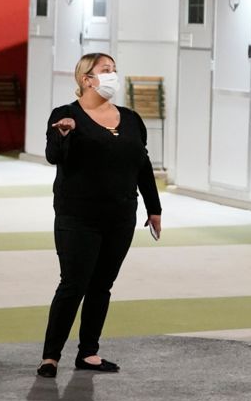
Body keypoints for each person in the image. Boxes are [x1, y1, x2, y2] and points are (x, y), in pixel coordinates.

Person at [36, 53, 162, 378]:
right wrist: (64, 135)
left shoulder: (131, 119)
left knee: (102, 285)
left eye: (114, 70)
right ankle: (50, 357)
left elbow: (142, 164)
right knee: (73, 284)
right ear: (86, 79)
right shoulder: (65, 115)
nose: (112, 75)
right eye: (106, 70)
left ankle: (88, 352)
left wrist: (154, 208)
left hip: (121, 216)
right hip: (77, 216)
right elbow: (53, 157)